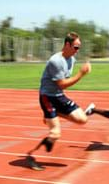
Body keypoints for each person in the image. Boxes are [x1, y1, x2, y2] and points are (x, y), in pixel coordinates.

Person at [27, 32, 92, 170]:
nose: (77, 51)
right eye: (75, 47)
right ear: (67, 44)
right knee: (55, 133)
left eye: (79, 48)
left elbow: (62, 86)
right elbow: (62, 84)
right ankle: (31, 155)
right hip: (47, 97)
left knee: (83, 119)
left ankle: (52, 115)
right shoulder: (55, 61)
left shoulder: (71, 60)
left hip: (58, 96)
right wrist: (81, 73)